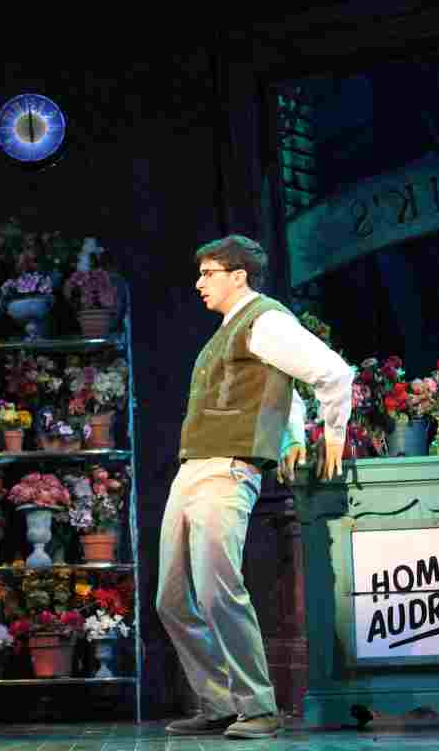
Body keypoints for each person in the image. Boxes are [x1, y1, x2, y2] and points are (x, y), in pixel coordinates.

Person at [157, 234, 351, 739]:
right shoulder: (232, 328)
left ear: (238, 276)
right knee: (172, 599)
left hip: (228, 468)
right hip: (192, 468)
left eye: (209, 273)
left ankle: (259, 706)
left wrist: (332, 434)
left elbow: (333, 373)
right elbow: (281, 389)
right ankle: (220, 703)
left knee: (218, 591)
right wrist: (292, 433)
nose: (199, 283)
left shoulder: (264, 320)